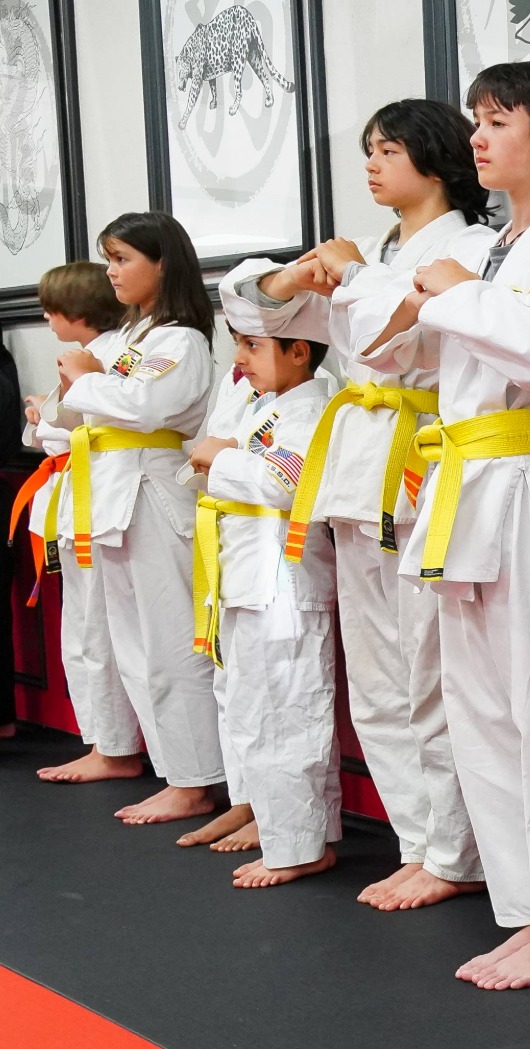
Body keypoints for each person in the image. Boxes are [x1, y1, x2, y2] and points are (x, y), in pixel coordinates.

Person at [344, 60, 530, 990]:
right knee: (483, 718)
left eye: (498, 121)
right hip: (465, 485)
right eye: (475, 122)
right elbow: (406, 344)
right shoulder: (499, 252)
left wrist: (451, 288)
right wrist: (418, 297)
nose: (477, 138)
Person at [219, 97, 495, 911]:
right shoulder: (363, 251)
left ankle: (453, 851)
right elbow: (253, 308)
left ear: (436, 162)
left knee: (428, 675)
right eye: (368, 148)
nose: (371, 163)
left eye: (387, 150)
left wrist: (356, 275)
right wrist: (304, 273)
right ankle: (417, 843)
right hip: (352, 470)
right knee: (375, 681)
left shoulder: (476, 246)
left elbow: (413, 332)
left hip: (422, 464)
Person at [50, 213, 221, 825]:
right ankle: (172, 768)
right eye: (108, 258)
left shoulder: (183, 340)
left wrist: (89, 385)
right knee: (132, 646)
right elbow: (58, 416)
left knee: (172, 641)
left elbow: (147, 404)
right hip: (109, 496)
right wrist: (89, 389)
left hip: (154, 492)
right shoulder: (125, 339)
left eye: (122, 258)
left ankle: (198, 778)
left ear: (163, 264)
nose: (111, 272)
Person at [186, 323, 340, 887]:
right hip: (246, 569)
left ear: (299, 351)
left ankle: (301, 845)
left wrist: (221, 460)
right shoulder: (269, 406)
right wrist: (217, 458)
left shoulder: (316, 407)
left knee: (290, 710)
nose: (240, 357)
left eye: (253, 345)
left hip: (285, 574)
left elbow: (289, 483)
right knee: (255, 711)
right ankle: (284, 829)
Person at [19, 264, 143, 779]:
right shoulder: (92, 355)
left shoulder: (112, 354)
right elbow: (55, 426)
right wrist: (44, 423)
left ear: (76, 312)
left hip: (104, 496)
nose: (45, 318)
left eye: (51, 309)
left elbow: (78, 427)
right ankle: (100, 740)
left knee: (99, 629)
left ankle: (115, 748)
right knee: (82, 628)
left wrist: (46, 423)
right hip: (77, 493)